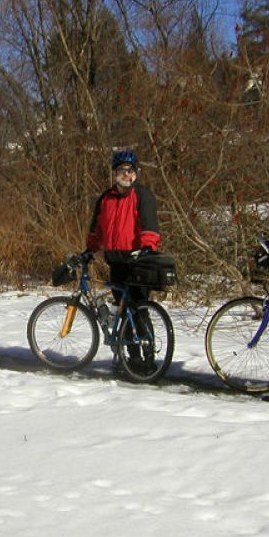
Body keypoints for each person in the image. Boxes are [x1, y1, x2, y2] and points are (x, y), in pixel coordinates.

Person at [85, 150, 161, 372]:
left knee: (138, 310)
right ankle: (131, 357)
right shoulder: (106, 199)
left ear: (136, 173)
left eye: (130, 170)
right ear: (114, 173)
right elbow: (96, 230)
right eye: (121, 170)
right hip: (115, 262)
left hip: (137, 260)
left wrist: (148, 246)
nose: (126, 174)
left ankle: (148, 357)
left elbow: (149, 225)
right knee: (122, 308)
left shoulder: (142, 195)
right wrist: (90, 250)